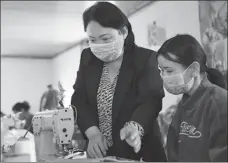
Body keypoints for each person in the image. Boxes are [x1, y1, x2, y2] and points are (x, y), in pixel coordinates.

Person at [71, 2, 166, 161]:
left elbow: (151, 101)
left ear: (123, 32)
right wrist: (93, 133)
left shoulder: (145, 59)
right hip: (100, 154)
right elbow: (78, 98)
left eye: (105, 38)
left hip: (139, 152)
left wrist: (135, 127)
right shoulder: (88, 58)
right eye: (92, 39)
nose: (99, 46)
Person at [157, 34, 227, 162]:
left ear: (194, 69)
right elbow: (173, 154)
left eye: (169, 71)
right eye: (161, 70)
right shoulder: (184, 104)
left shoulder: (220, 103)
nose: (163, 77)